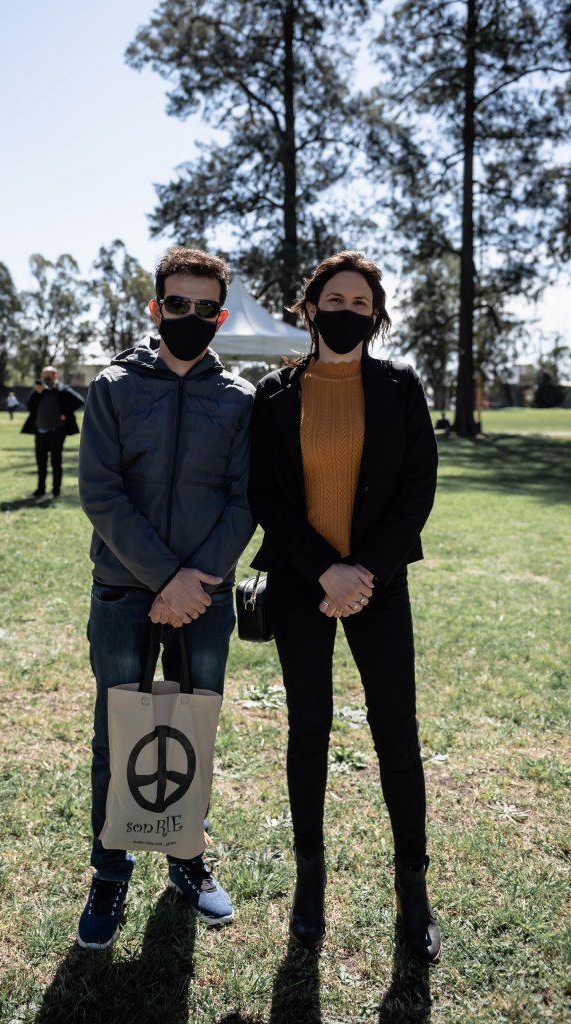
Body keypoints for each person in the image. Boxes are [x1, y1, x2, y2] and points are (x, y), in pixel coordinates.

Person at [249, 250, 441, 962]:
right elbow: (267, 494)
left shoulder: (399, 386)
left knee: (398, 732)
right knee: (310, 728)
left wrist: (362, 571)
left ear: (377, 315)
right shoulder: (274, 393)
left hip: (379, 585)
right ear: (309, 307)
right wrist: (324, 570)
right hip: (302, 585)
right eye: (336, 297)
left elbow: (417, 486)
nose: (348, 310)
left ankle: (413, 891)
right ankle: (310, 883)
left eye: (362, 302)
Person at [77, 246, 254, 950]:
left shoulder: (238, 399)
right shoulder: (113, 388)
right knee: (117, 734)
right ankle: (109, 871)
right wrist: (162, 580)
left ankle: (186, 858)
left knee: (192, 731)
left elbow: (245, 500)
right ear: (156, 308)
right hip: (125, 593)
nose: (188, 316)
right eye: (175, 304)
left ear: (219, 313)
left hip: (205, 599)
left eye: (202, 308)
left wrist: (194, 583)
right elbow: (101, 493)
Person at [20, 366, 84, 498]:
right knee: (41, 462)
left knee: (56, 462)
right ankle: (40, 489)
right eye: (44, 376)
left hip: (57, 432)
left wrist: (66, 413)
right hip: (40, 432)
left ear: (55, 376)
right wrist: (37, 392)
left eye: (48, 375)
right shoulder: (39, 391)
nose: (46, 378)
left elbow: (79, 401)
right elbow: (29, 406)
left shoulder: (62, 390)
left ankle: (56, 490)